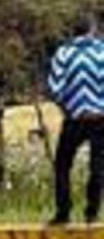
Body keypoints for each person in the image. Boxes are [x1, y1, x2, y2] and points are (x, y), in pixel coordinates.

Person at [47, 12, 104, 225]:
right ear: (93, 30)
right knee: (98, 166)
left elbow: (54, 88)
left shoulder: (64, 53)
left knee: (62, 164)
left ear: (73, 31)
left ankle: (63, 213)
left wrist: (67, 107)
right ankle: (92, 213)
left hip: (75, 118)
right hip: (101, 118)